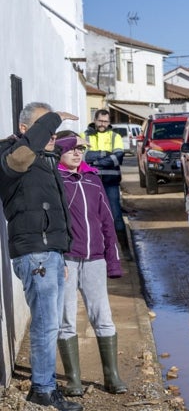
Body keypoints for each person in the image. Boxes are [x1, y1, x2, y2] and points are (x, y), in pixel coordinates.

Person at [0, 102, 83, 411]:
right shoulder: (11, 155)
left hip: (49, 254)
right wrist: (54, 118)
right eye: (45, 128)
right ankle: (43, 389)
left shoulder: (45, 161)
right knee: (46, 325)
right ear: (25, 130)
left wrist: (61, 254)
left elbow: (59, 210)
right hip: (35, 254)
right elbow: (16, 163)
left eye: (53, 130)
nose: (52, 134)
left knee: (52, 324)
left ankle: (46, 384)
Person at [54, 132, 127, 396]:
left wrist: (113, 261)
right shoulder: (55, 180)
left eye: (81, 149)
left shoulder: (93, 179)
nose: (77, 153)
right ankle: (73, 379)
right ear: (59, 152)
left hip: (94, 259)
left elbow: (107, 221)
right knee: (66, 320)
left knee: (103, 317)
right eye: (71, 149)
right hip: (66, 259)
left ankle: (112, 376)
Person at [82, 109, 130, 261]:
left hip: (111, 183)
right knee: (93, 217)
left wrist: (94, 163)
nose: (102, 124)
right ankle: (98, 252)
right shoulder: (84, 136)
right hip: (90, 182)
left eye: (105, 121)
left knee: (116, 216)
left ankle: (125, 251)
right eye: (100, 121)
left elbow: (118, 158)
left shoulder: (115, 136)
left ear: (109, 122)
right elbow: (83, 157)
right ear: (94, 120)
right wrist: (105, 154)